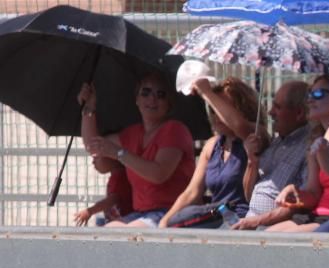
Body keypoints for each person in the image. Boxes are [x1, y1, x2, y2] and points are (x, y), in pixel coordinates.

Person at [78, 72, 196, 228]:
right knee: (105, 235)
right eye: (145, 92)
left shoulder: (175, 129)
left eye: (160, 94)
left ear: (169, 103)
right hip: (142, 213)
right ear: (137, 100)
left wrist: (118, 153)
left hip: (172, 213)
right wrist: (89, 107)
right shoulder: (132, 133)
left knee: (127, 236)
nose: (152, 99)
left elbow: (158, 174)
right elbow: (92, 146)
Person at [266, 75, 329, 233]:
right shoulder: (315, 141)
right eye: (309, 95)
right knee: (269, 235)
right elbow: (313, 194)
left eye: (318, 94)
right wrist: (296, 193)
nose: (310, 100)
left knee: (286, 238)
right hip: (318, 214)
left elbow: (326, 152)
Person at [157, 77, 260, 229]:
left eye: (221, 109)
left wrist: (206, 92)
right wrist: (164, 223)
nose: (216, 116)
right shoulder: (213, 145)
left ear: (242, 109)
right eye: (212, 109)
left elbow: (238, 125)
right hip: (215, 217)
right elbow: (192, 192)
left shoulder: (255, 135)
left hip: (241, 219)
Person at [227, 81, 311, 230]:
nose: (271, 113)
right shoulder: (277, 143)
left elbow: (300, 204)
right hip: (251, 221)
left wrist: (256, 221)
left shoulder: (308, 147)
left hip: (273, 228)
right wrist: (252, 162)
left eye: (278, 107)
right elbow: (249, 195)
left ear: (299, 114)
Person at [73, 156, 132, 226]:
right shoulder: (117, 176)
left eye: (96, 158)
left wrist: (90, 211)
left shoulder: (119, 178)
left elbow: (111, 200)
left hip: (124, 223)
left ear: (112, 157)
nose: (93, 162)